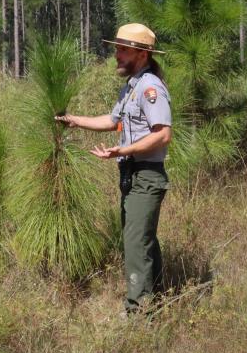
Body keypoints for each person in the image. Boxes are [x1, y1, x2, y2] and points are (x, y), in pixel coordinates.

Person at [56, 23, 172, 314]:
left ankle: (138, 312)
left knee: (135, 243)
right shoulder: (132, 86)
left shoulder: (150, 88)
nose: (117, 55)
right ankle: (155, 300)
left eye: (123, 50)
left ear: (142, 54)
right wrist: (74, 120)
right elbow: (112, 120)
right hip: (131, 174)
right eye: (117, 49)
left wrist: (125, 150)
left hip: (145, 174)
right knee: (141, 239)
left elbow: (162, 134)